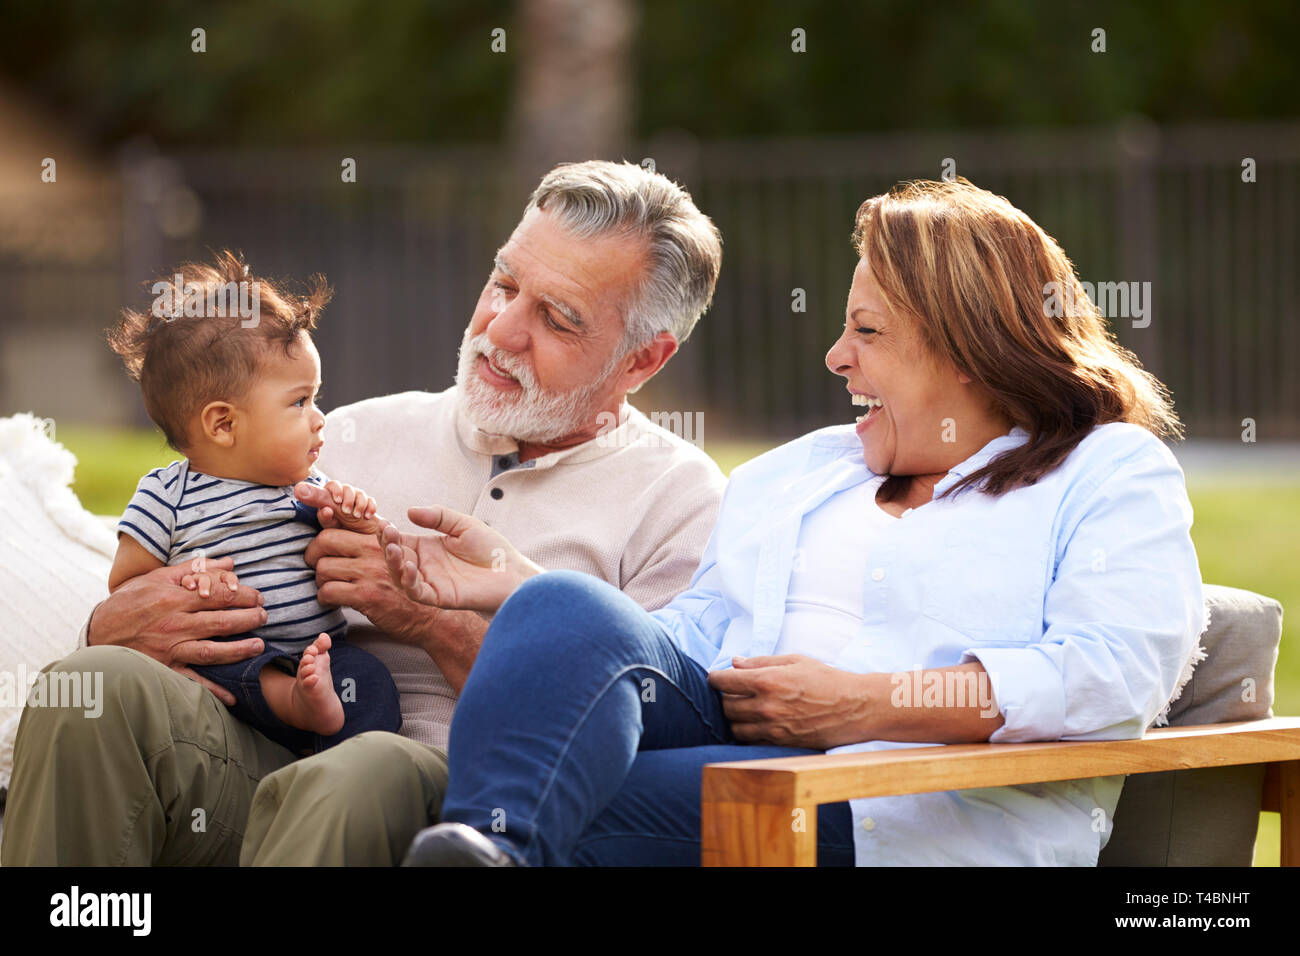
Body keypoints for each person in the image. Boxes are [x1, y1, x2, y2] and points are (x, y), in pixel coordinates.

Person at [388, 178, 1206, 867]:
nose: (836, 356)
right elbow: (696, 636)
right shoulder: (804, 470)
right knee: (561, 603)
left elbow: (1112, 675)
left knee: (582, 798)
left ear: (969, 349)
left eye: (868, 330)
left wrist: (864, 705)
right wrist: (528, 596)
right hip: (737, 730)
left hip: (907, 806)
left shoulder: (1106, 471)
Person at [0, 159, 726, 866]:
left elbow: (639, 743)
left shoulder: (680, 501)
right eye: (502, 283)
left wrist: (428, 622)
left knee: (365, 770)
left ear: (643, 360)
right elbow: (183, 549)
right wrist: (119, 625)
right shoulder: (346, 433)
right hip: (267, 761)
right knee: (96, 688)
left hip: (464, 810)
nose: (501, 331)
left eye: (557, 320)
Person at [104, 253, 398, 754]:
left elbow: (355, 555)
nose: (319, 418)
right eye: (300, 401)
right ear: (223, 424)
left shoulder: (305, 486)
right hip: (234, 662)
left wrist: (353, 518)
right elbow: (127, 589)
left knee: (371, 682)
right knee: (230, 669)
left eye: (316, 398)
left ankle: (338, 770)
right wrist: (190, 576)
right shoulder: (166, 496)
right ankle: (298, 707)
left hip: (320, 653)